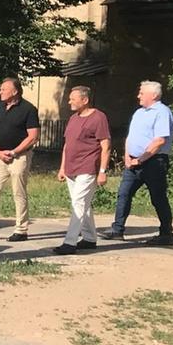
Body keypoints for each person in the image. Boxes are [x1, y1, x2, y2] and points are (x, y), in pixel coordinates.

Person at [101, 80, 173, 246]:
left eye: (142, 93)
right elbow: (131, 136)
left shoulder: (162, 112)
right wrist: (127, 156)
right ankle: (117, 229)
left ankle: (166, 233)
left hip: (154, 162)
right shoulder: (139, 112)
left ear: (154, 95)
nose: (138, 96)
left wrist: (141, 159)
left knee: (158, 198)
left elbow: (159, 140)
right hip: (133, 162)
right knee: (124, 194)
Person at [0, 77, 40, 242]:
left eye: (3, 89)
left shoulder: (28, 109)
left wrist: (14, 152)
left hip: (19, 157)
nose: (0, 92)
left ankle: (21, 229)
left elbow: (33, 136)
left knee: (18, 192)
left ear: (15, 91)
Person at [53, 86, 110, 255]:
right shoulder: (73, 118)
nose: (69, 101)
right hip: (71, 167)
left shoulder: (99, 118)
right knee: (82, 203)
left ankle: (69, 242)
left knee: (78, 202)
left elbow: (105, 146)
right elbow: (67, 145)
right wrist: (62, 167)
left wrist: (102, 171)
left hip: (88, 167)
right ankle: (90, 238)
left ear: (85, 100)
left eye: (73, 98)